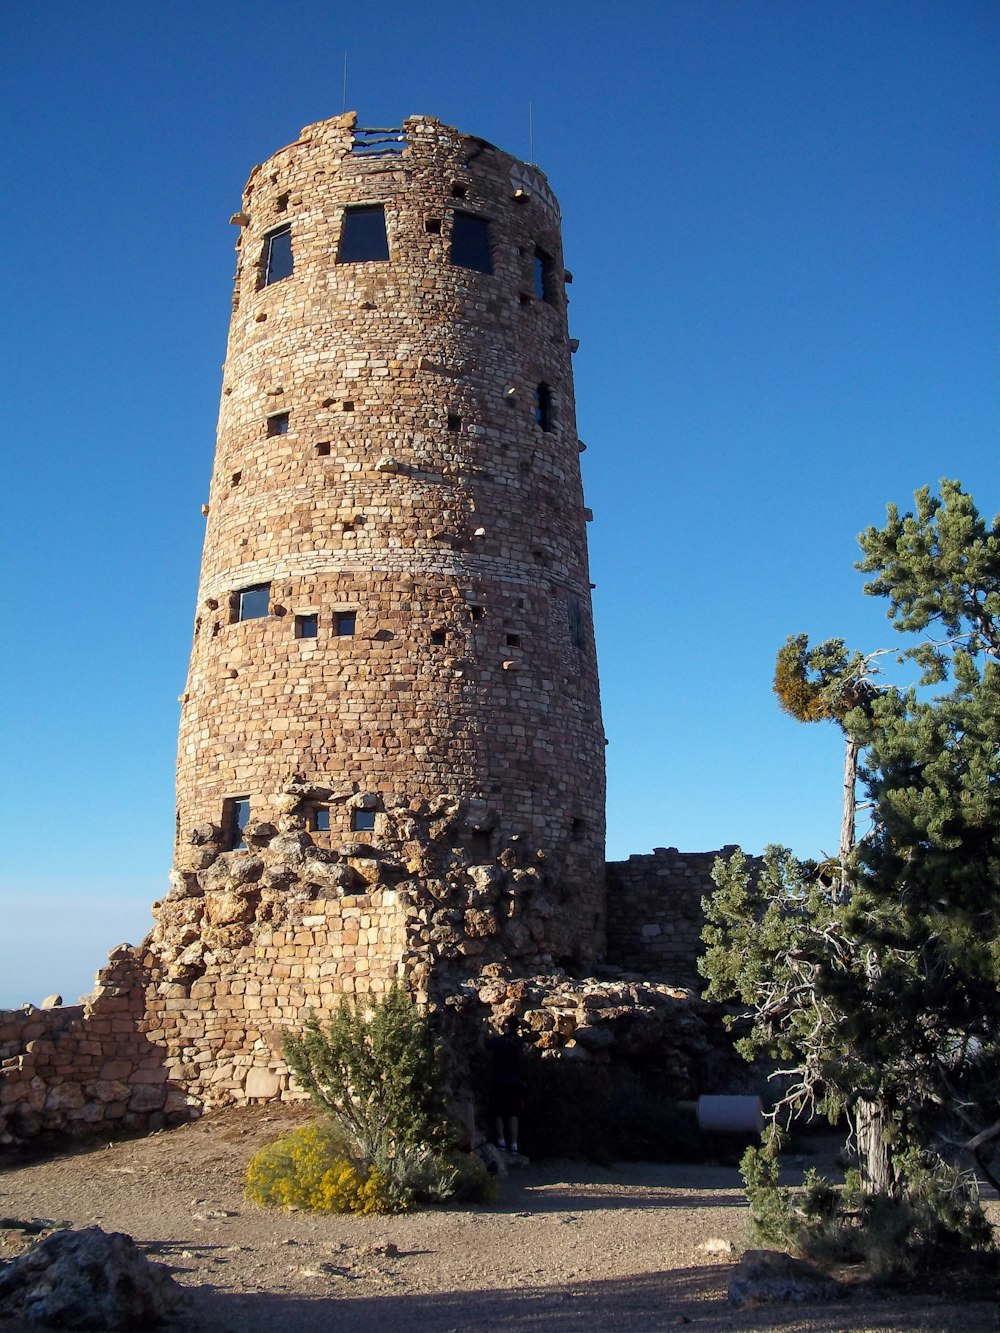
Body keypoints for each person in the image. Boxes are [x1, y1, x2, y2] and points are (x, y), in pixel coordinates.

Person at [485, 1016, 531, 1153]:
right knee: (513, 1114)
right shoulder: (519, 1042)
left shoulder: (500, 1042)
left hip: (499, 1080)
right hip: (515, 1082)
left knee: (497, 1112)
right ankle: (514, 1144)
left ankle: (501, 1141)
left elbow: (486, 1044)